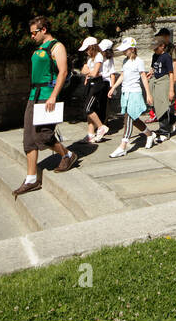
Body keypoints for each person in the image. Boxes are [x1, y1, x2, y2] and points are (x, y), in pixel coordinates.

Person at [14, 16, 78, 196]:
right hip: (34, 96)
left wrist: (53, 96)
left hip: (46, 96)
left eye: (34, 32)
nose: (31, 36)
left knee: (44, 135)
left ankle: (67, 155)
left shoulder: (57, 47)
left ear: (43, 30)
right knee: (28, 137)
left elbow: (63, 72)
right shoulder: (39, 49)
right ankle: (31, 179)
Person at [107, 37, 156, 156]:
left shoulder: (138, 61)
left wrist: (148, 94)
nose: (124, 52)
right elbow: (123, 75)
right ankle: (150, 134)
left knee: (128, 117)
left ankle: (123, 145)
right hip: (126, 92)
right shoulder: (125, 61)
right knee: (133, 119)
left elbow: (143, 77)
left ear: (132, 49)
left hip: (135, 93)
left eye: (126, 49)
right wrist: (113, 87)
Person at [80, 36, 111, 143]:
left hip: (98, 84)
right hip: (91, 83)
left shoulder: (99, 56)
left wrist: (87, 72)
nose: (86, 52)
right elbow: (86, 71)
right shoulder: (90, 59)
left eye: (87, 49)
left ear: (92, 47)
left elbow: (94, 73)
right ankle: (90, 134)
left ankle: (101, 127)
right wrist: (88, 72)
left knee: (88, 109)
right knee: (88, 108)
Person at [150, 34, 176, 141]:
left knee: (162, 107)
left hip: (164, 82)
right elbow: (153, 67)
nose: (154, 51)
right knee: (155, 106)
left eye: (156, 48)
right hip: (155, 82)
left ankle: (164, 132)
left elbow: (170, 73)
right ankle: (173, 118)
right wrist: (151, 72)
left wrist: (171, 90)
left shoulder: (166, 57)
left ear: (162, 46)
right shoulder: (155, 56)